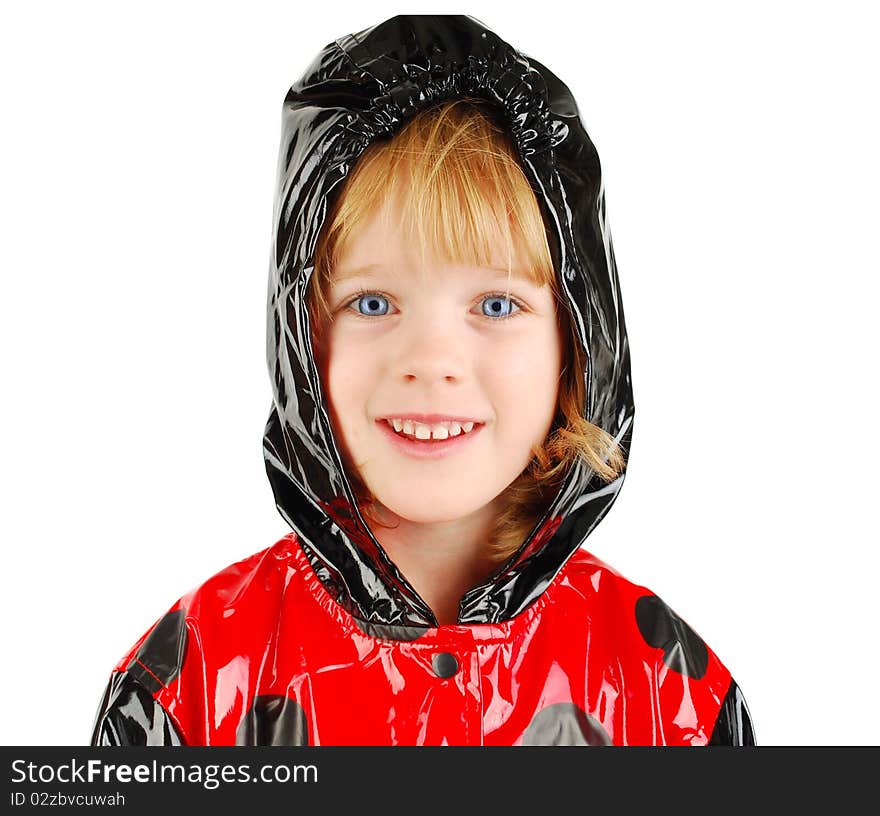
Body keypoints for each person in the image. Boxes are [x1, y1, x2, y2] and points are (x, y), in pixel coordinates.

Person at [90, 14, 755, 746]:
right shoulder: (191, 685)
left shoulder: (670, 695)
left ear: (577, 344)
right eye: (372, 303)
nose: (432, 360)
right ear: (301, 338)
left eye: (496, 305)